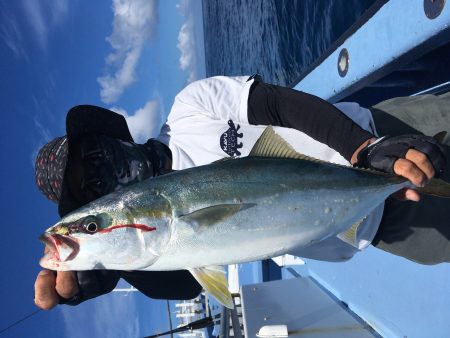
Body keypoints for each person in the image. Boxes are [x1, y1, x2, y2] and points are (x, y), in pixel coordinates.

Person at [34, 75, 448, 310]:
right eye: (91, 185)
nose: (102, 169)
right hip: (384, 227)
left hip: (385, 133)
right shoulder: (163, 243)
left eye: (92, 155)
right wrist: (110, 265)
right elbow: (184, 285)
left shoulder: (190, 108)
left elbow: (280, 107)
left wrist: (364, 148)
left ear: (106, 136)